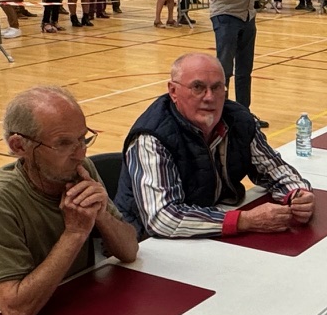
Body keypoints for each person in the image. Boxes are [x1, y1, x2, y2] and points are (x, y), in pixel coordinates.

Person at [0, 86, 141, 315]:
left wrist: (102, 215)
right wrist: (74, 233)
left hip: (65, 310)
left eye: (82, 139)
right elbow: (17, 313)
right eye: (63, 143)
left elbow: (129, 251)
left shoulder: (80, 173)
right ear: (20, 146)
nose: (80, 153)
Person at [116, 53, 314, 238]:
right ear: (173, 91)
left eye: (217, 87)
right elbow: (163, 218)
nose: (209, 97)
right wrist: (244, 221)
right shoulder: (151, 137)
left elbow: (273, 168)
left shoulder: (238, 119)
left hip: (207, 233)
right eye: (198, 87)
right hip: (145, 246)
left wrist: (297, 194)